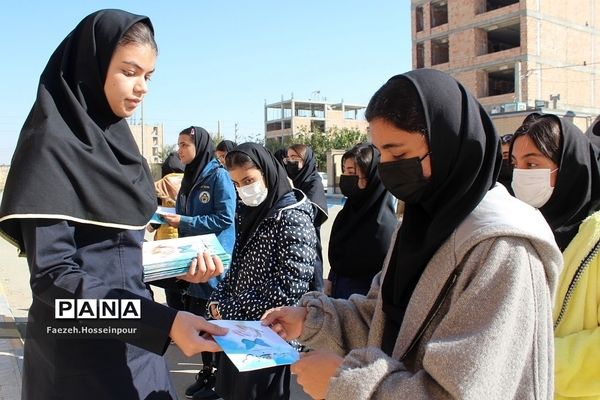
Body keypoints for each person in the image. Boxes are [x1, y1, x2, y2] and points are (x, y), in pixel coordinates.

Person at [261, 69, 562, 400]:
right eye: (383, 156)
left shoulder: (502, 246)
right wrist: (312, 320)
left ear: (447, 143)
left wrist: (346, 384)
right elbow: (384, 318)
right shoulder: (424, 224)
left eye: (400, 155)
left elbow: (468, 391)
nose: (389, 169)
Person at [0, 10, 226, 400]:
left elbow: (117, 256)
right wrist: (164, 323)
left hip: (140, 346)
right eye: (129, 71)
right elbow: (55, 281)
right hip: (79, 359)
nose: (142, 88)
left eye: (148, 76)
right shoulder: (50, 148)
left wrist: (176, 269)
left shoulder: (118, 147)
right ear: (92, 66)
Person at [201, 142, 317, 400]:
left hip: (268, 339)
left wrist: (229, 309)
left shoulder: (293, 217)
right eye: (237, 184)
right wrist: (215, 302)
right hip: (238, 333)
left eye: (249, 180)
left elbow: (289, 288)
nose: (244, 189)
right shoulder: (250, 212)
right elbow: (237, 267)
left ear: (267, 172)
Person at [510, 114, 600, 400]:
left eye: (533, 164)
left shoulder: (594, 240)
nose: (520, 176)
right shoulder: (517, 230)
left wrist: (532, 362)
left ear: (570, 167)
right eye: (514, 164)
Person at [161, 126, 237, 399]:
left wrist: (185, 221)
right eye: (178, 144)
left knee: (215, 319)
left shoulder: (218, 177)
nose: (179, 150)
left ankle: (220, 381)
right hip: (193, 260)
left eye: (184, 144)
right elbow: (182, 214)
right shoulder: (189, 178)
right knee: (197, 318)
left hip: (214, 262)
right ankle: (207, 374)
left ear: (199, 146)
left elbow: (225, 219)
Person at [328, 143, 397, 299]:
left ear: (372, 177)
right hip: (336, 303)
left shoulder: (384, 229)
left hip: (360, 309)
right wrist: (331, 280)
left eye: (351, 172)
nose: (345, 177)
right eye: (344, 171)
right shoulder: (345, 215)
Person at [284, 143, 328, 291]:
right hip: (291, 249)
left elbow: (311, 213)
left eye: (294, 157)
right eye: (288, 158)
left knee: (313, 295)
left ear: (306, 160)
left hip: (310, 249)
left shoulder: (314, 182)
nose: (290, 161)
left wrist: (291, 191)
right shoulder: (292, 181)